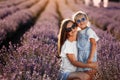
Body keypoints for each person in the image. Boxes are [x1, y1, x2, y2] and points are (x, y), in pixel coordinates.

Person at [73, 11, 99, 80]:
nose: (81, 22)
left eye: (83, 19)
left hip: (88, 56)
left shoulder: (89, 31)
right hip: (81, 57)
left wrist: (90, 58)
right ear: (76, 23)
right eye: (78, 21)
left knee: (89, 74)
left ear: (87, 20)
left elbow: (94, 44)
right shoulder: (78, 32)